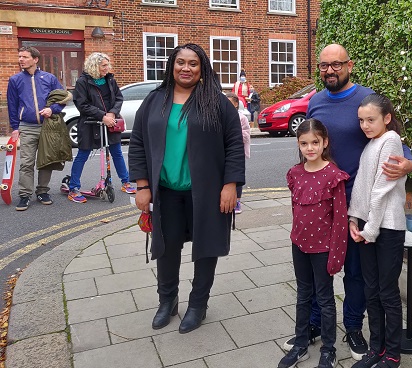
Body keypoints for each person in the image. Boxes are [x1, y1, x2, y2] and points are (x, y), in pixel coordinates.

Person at [282, 43, 412, 361]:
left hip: (358, 204)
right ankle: (314, 324)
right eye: (324, 65)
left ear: (349, 65)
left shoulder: (365, 99)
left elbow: (392, 138)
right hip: (322, 204)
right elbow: (308, 145)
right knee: (317, 269)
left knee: (356, 272)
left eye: (337, 64)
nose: (330, 70)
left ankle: (354, 328)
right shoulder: (314, 101)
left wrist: (407, 163)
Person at [128, 43, 245, 334]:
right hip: (165, 190)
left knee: (206, 248)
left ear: (202, 68)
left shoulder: (216, 102)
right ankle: (167, 301)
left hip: (206, 192)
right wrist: (142, 185)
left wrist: (231, 184)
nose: (186, 68)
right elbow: (138, 142)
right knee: (166, 249)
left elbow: (234, 145)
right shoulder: (155, 100)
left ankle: (198, 305)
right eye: (181, 62)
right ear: (172, 65)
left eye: (193, 63)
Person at [280, 118, 349, 368]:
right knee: (302, 295)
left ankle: (329, 349)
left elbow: (341, 220)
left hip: (322, 250)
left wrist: (336, 255)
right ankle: (300, 344)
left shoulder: (333, 175)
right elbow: (295, 209)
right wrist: (295, 236)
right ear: (298, 144)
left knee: (325, 299)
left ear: (325, 143)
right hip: (299, 245)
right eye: (304, 143)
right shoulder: (295, 173)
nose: (310, 148)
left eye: (315, 143)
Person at [348, 94, 407, 368]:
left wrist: (368, 229)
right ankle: (376, 349)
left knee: (387, 292)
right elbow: (362, 185)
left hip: (387, 228)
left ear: (386, 118)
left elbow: (382, 188)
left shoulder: (391, 139)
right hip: (368, 227)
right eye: (361, 120)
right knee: (371, 290)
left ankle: (392, 355)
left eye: (370, 120)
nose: (365, 125)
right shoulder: (372, 143)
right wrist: (354, 220)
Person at [67, 52, 135, 203]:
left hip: (110, 123)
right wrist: (102, 116)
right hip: (90, 124)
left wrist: (111, 113)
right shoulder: (82, 82)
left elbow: (118, 98)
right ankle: (73, 188)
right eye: (104, 65)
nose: (107, 68)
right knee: (83, 155)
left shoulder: (109, 80)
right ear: (94, 66)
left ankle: (126, 182)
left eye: (107, 65)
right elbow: (82, 104)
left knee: (117, 152)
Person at [6, 46, 65, 211]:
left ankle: (42, 192)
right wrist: (15, 127)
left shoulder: (49, 78)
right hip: (27, 126)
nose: (21, 60)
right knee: (26, 162)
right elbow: (12, 105)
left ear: (35, 59)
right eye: (19, 56)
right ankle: (25, 195)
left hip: (47, 127)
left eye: (24, 57)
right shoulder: (15, 80)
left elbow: (63, 97)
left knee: (46, 161)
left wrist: (52, 109)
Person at [226, 92, 251, 213]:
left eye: (230, 103)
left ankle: (237, 202)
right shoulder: (222, 116)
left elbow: (246, 134)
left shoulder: (242, 118)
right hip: (225, 152)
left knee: (237, 177)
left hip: (239, 152)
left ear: (236, 104)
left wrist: (234, 134)